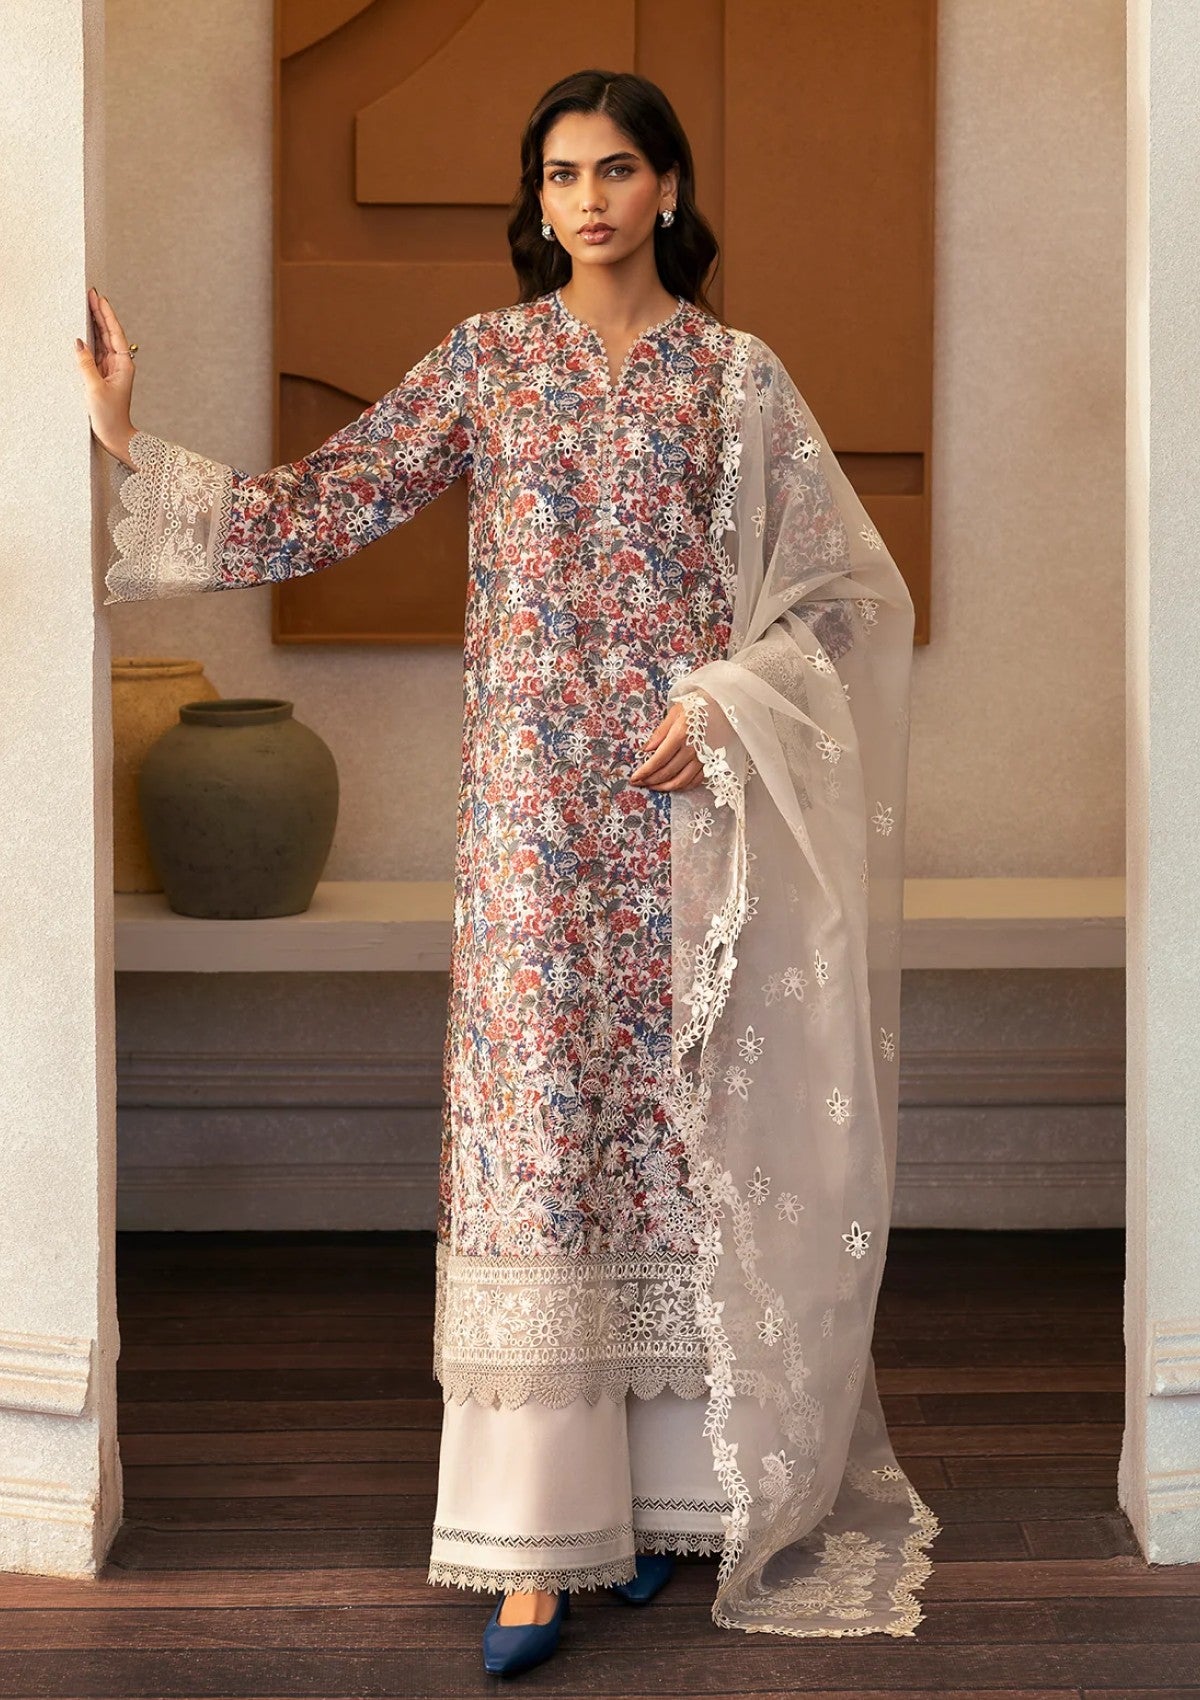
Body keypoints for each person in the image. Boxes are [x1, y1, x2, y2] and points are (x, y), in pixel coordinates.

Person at [78, 67, 939, 1676]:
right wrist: (130, 437)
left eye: (616, 169)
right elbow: (320, 506)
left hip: (686, 825)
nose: (588, 199)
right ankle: (535, 1545)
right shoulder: (492, 362)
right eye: (560, 174)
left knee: (676, 1133)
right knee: (540, 1141)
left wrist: (724, 707)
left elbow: (839, 601)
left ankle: (673, 1505)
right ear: (536, 199)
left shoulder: (735, 379)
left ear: (669, 187)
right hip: (533, 832)